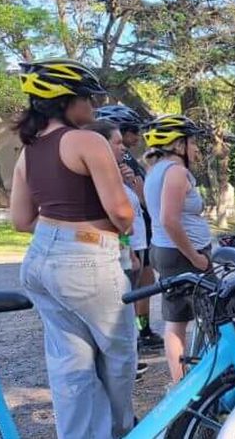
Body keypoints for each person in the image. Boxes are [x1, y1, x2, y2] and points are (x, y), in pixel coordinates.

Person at [10, 58, 137, 438]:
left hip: (41, 260)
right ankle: (120, 431)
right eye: (88, 98)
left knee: (71, 366)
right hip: (89, 259)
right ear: (66, 100)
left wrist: (57, 231)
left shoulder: (28, 151)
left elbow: (20, 220)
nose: (94, 107)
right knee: (118, 357)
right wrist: (95, 230)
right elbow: (122, 211)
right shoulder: (87, 141)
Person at [142, 114, 212, 383]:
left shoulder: (154, 171)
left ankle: (180, 383)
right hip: (184, 255)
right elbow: (168, 219)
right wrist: (194, 257)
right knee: (212, 315)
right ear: (178, 145)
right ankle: (210, 380)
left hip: (164, 250)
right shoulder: (176, 172)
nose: (196, 149)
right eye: (193, 142)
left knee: (176, 319)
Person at [82, 120, 150, 382]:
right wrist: (128, 250)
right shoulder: (102, 178)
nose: (123, 148)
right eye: (117, 142)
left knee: (128, 305)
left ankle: (131, 357)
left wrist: (132, 185)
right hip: (120, 252)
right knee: (119, 312)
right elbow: (120, 221)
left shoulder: (122, 174)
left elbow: (141, 208)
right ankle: (121, 367)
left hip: (138, 244)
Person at [95, 104, 164, 349]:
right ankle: (126, 340)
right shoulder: (104, 164)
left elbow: (141, 197)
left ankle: (141, 329)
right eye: (133, 131)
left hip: (141, 234)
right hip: (125, 239)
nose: (136, 139)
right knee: (124, 290)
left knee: (143, 285)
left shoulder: (129, 161)